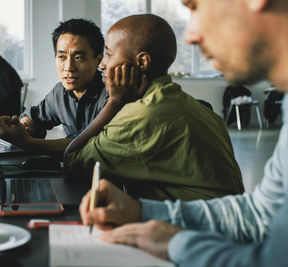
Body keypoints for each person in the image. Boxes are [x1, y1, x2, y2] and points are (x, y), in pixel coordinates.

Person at [80, 0, 288, 265]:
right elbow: (260, 215)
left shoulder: (146, 111)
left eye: (195, 7)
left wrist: (177, 243)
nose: (190, 35)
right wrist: (142, 212)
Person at [64, 14, 244, 201]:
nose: (102, 64)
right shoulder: (179, 100)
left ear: (142, 62)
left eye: (109, 54)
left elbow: (73, 160)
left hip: (198, 226)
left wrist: (114, 103)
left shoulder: (144, 114)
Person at [0, 19, 107, 159]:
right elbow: (34, 117)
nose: (68, 67)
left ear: (99, 59)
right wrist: (22, 127)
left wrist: (29, 142)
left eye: (78, 58)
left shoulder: (111, 94)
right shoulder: (60, 92)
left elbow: (89, 145)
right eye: (62, 57)